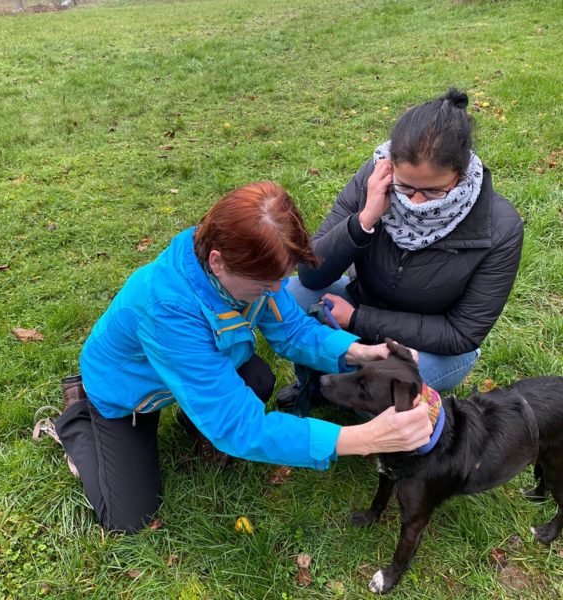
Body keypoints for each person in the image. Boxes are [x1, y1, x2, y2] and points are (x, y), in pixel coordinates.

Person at [47, 182, 432, 533]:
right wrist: (362, 438)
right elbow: (239, 428)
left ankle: (194, 416)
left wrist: (359, 351)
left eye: (282, 278)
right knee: (129, 518)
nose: (277, 290)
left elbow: (292, 330)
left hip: (191, 366)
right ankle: (78, 414)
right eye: (266, 284)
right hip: (127, 394)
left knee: (258, 379)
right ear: (217, 262)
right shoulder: (167, 308)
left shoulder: (247, 262)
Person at [282, 88, 523, 401]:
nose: (416, 203)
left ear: (460, 175)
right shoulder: (373, 178)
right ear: (391, 166)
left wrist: (357, 320)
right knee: (291, 295)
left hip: (434, 346)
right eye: (405, 188)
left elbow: (461, 333)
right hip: (362, 299)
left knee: (387, 390)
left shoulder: (500, 226)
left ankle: (353, 385)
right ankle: (319, 382)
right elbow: (310, 274)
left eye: (434, 192)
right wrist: (364, 220)